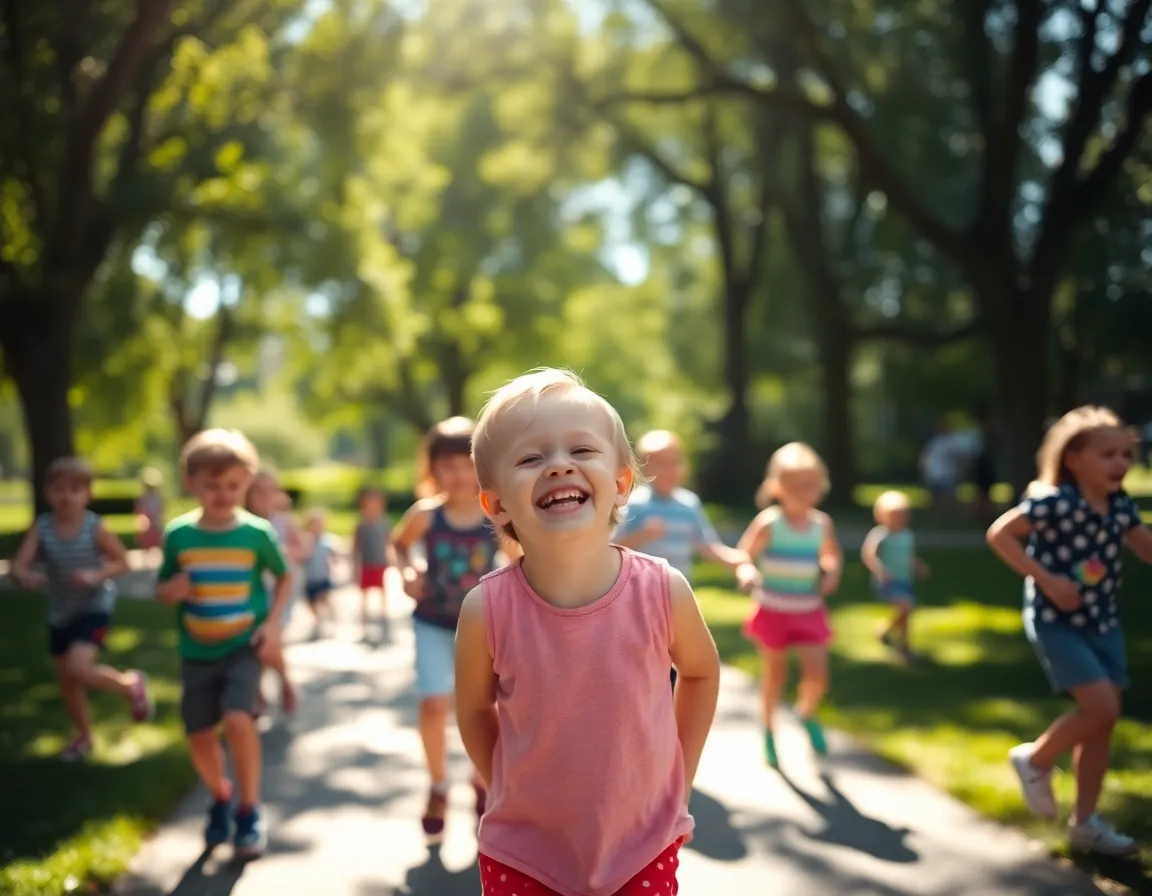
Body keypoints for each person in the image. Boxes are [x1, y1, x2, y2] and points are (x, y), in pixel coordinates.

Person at [456, 368, 720, 896]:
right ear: (497, 503)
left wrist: (679, 778)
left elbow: (700, 672)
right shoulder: (486, 609)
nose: (558, 466)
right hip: (524, 857)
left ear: (622, 481)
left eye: (581, 450)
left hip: (640, 848)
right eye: (531, 458)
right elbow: (473, 711)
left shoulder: (663, 591)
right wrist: (504, 785)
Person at [986, 406, 1152, 857]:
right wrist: (1047, 579)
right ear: (1074, 459)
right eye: (1107, 454)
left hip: (1103, 622)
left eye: (1124, 454)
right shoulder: (1054, 501)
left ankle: (1085, 824)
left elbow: (1145, 548)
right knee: (1101, 706)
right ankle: (1036, 759)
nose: (1119, 463)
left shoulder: (1120, 506)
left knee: (1103, 721)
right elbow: (1001, 534)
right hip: (1057, 622)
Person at [157, 429, 292, 857]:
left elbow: (285, 576)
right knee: (198, 736)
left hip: (241, 647)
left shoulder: (257, 534)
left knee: (238, 720)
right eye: (211, 485)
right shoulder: (179, 535)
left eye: (233, 485)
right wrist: (170, 590)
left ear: (247, 481)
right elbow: (163, 588)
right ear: (192, 483)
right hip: (196, 651)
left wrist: (271, 625)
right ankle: (220, 795)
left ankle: (249, 810)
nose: (223, 493)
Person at [389, 417, 506, 837]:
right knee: (434, 703)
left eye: (465, 464)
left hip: (480, 629)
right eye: (447, 466)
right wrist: (406, 572)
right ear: (432, 469)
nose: (457, 475)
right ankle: (438, 785)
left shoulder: (492, 515)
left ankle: (481, 781)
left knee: (481, 708)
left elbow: (517, 559)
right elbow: (398, 544)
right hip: (432, 623)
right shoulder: (426, 515)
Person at [11, 457, 154, 761]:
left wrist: (94, 575)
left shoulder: (94, 526)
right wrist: (25, 576)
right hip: (61, 610)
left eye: (75, 489)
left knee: (78, 666)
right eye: (59, 489)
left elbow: (123, 562)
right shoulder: (43, 526)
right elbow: (18, 564)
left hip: (94, 604)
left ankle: (130, 685)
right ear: (47, 493)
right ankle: (84, 737)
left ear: (87, 494)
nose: (66, 496)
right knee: (68, 681)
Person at [734, 442, 843, 769]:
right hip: (773, 611)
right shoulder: (770, 522)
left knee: (817, 675)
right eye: (796, 486)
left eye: (811, 485)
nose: (805, 493)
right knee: (774, 676)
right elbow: (744, 554)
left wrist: (832, 571)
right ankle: (768, 730)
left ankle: (806, 711)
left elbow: (831, 555)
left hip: (809, 610)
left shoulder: (821, 524)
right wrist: (747, 571)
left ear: (821, 486)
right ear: (777, 488)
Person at [613, 429, 749, 687]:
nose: (670, 469)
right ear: (642, 467)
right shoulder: (634, 504)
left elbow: (708, 546)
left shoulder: (688, 504)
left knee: (676, 660)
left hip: (678, 599)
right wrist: (641, 535)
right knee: (645, 660)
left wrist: (738, 562)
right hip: (638, 600)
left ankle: (669, 715)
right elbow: (610, 547)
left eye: (675, 461)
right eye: (660, 463)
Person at [245, 470, 300, 715]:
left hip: (279, 593)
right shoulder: (243, 524)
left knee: (269, 643)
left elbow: (302, 548)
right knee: (256, 644)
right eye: (257, 490)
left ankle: (283, 682)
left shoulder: (283, 522)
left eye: (270, 490)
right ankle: (259, 691)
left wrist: (286, 553)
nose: (264, 496)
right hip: (252, 593)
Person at [861, 490, 929, 662]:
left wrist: (919, 566)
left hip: (905, 580)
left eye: (902, 515)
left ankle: (886, 631)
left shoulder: (907, 535)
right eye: (893, 515)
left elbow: (909, 556)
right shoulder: (880, 534)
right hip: (888, 582)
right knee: (906, 607)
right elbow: (869, 555)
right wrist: (880, 571)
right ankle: (905, 647)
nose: (898, 519)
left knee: (905, 611)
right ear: (881, 516)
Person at [352, 487, 390, 641]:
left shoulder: (384, 522)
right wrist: (354, 566)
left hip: (379, 563)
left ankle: (383, 618)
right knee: (364, 595)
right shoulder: (361, 524)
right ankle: (364, 623)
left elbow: (389, 543)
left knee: (382, 592)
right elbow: (356, 547)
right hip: (365, 565)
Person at [302, 508, 339, 637]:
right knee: (311, 602)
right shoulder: (306, 539)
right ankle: (318, 621)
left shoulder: (327, 540)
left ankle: (333, 618)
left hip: (323, 576)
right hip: (310, 577)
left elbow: (334, 554)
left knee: (324, 598)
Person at [134, 467, 165, 559]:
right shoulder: (143, 497)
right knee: (146, 538)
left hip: (155, 519)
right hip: (147, 519)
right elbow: (139, 509)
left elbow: (161, 509)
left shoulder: (157, 497)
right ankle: (146, 556)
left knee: (158, 537)